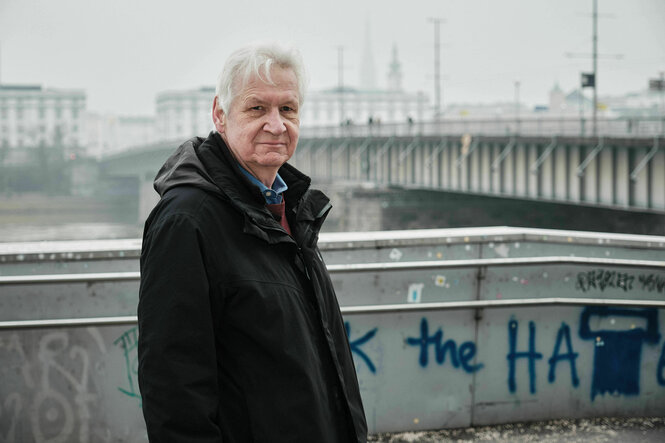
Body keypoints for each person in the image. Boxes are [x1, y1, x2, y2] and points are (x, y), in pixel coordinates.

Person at [137, 42, 368, 442]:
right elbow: (173, 389)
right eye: (257, 108)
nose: (276, 125)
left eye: (288, 109)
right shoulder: (186, 221)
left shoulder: (287, 207)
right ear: (220, 115)